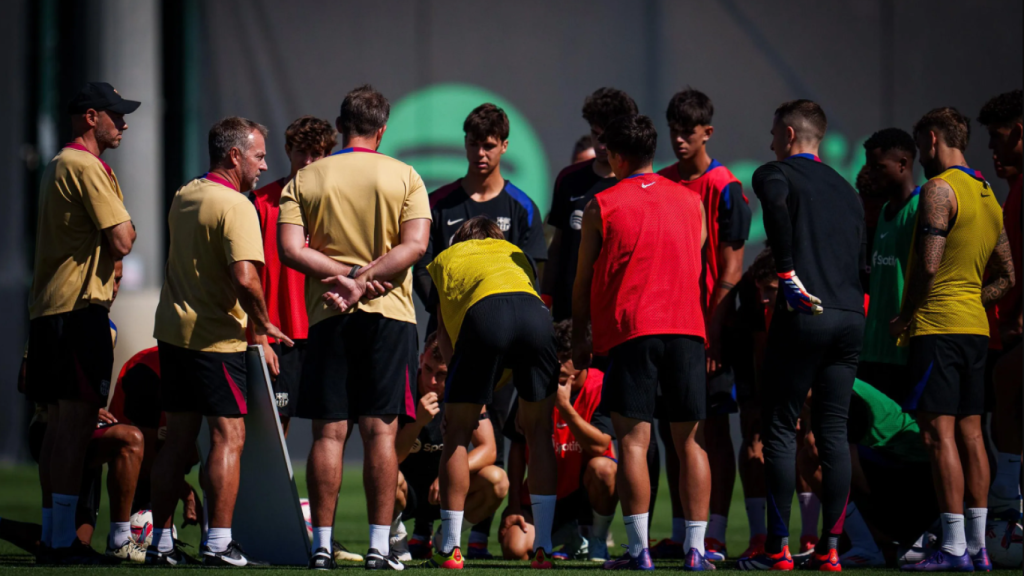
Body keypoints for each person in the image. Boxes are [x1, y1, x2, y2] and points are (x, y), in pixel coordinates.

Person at [278, 84, 431, 571]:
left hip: (329, 315)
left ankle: (321, 547)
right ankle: (379, 549)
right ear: (381, 130)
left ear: (341, 125)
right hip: (390, 316)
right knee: (380, 434)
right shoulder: (406, 175)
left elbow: (290, 249)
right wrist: (364, 281)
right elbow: (415, 246)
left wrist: (347, 279)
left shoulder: (306, 177)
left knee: (328, 435)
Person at [572, 114, 712, 571]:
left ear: (615, 155)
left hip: (634, 331)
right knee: (691, 443)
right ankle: (696, 551)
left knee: (633, 445)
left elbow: (582, 281)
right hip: (687, 330)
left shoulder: (602, 203)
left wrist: (580, 337)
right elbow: (697, 257)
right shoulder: (692, 200)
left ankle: (639, 552)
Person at [150, 116, 291, 567]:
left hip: (173, 336)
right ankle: (218, 545)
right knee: (228, 436)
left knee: (176, 441)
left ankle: (160, 544)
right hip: (215, 340)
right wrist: (263, 324)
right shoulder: (236, 204)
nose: (265, 166)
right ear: (234, 156)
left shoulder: (184, 194)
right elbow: (246, 278)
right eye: (259, 156)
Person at [742, 100, 866, 571]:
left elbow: (774, 204)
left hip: (803, 312)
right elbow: (862, 266)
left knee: (779, 428)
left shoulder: (775, 173)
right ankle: (831, 549)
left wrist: (787, 272)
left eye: (775, 133)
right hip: (849, 316)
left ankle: (777, 550)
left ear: (790, 135)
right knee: (833, 432)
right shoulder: (847, 189)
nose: (770, 141)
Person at [893, 107, 1014, 572]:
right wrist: (970, 299)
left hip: (938, 328)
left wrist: (906, 316)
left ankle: (955, 547)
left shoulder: (939, 189)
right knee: (971, 433)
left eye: (920, 146)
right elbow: (1007, 276)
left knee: (937, 434)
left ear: (931, 139)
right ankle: (978, 549)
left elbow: (928, 265)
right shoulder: (988, 194)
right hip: (975, 330)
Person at [26, 81, 138, 564]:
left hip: (50, 310)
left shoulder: (58, 163)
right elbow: (123, 240)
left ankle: (53, 537)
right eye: (117, 114)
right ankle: (63, 543)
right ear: (91, 117)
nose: (124, 123)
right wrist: (124, 235)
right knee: (73, 428)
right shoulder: (85, 165)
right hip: (78, 311)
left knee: (57, 428)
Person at [653, 87, 752, 562]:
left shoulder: (725, 186)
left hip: (708, 330)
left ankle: (714, 533)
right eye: (673, 131)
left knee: (711, 431)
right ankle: (680, 533)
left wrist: (714, 332)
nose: (679, 140)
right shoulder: (662, 182)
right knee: (671, 431)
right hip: (665, 326)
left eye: (688, 132)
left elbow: (732, 268)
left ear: (707, 132)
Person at [499, 319, 617, 563]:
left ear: (585, 358)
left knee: (604, 469)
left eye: (565, 358)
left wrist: (565, 408)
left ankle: (596, 538)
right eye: (554, 357)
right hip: (542, 493)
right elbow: (517, 448)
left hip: (583, 496)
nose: (558, 365)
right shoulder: (534, 384)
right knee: (515, 549)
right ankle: (566, 537)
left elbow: (600, 446)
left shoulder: (601, 385)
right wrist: (514, 506)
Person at [250, 116, 337, 435]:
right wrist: (259, 334)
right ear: (288, 150)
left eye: (317, 153)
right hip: (278, 334)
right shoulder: (260, 203)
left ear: (328, 155)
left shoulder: (339, 205)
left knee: (331, 428)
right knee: (272, 431)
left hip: (327, 331)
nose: (309, 161)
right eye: (302, 152)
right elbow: (245, 274)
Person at [795, 379, 938, 568]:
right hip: (906, 475)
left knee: (817, 455)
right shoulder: (834, 381)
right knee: (824, 458)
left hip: (915, 484)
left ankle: (868, 546)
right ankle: (869, 545)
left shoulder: (832, 389)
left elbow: (816, 447)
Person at [394, 332, 508, 561]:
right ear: (421, 360)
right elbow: (391, 457)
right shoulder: (402, 387)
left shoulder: (465, 390)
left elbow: (489, 449)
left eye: (442, 374)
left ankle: (445, 536)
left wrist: (449, 473)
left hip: (448, 491)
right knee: (385, 474)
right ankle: (397, 540)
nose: (432, 381)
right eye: (428, 369)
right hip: (407, 492)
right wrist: (417, 423)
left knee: (497, 480)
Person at [542, 87, 637, 321]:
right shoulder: (568, 179)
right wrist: (545, 301)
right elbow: (557, 247)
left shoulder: (636, 185)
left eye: (608, 137)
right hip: (568, 313)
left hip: (617, 315)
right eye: (596, 134)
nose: (601, 145)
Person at [977, 90, 1023, 520]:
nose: (992, 147)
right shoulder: (1010, 193)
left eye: (997, 135)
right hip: (1002, 331)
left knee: (1006, 383)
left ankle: (1007, 502)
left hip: (1014, 333)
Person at [857, 128, 921, 403]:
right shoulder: (884, 212)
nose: (871, 174)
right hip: (874, 347)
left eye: (878, 167)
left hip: (906, 349)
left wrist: (905, 318)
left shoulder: (922, 208)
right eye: (869, 166)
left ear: (903, 164)